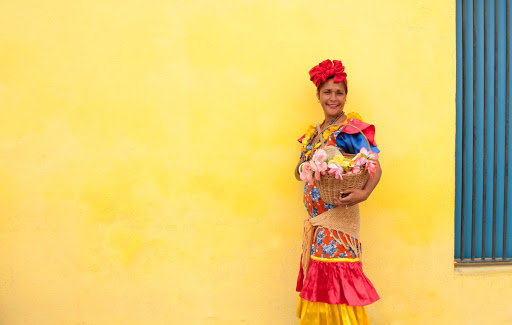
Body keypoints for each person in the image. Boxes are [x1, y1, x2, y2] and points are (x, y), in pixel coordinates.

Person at [294, 59, 382, 324]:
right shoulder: (314, 134)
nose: (333, 98)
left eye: (339, 92)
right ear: (318, 95)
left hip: (339, 223)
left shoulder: (351, 130)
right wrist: (305, 167)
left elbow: (375, 167)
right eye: (327, 92)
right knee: (322, 288)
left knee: (336, 285)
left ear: (346, 96)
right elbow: (298, 172)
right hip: (318, 226)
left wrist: (364, 193)